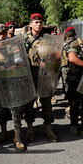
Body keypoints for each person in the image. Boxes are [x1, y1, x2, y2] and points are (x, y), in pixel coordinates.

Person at [22, 13, 58, 142]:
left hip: (44, 76)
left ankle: (48, 128)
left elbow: (55, 56)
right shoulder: (23, 39)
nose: (38, 24)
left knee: (47, 103)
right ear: (31, 24)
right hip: (30, 76)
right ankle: (30, 128)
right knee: (29, 104)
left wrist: (48, 62)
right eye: (36, 22)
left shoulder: (48, 39)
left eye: (40, 22)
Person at [0, 23, 25, 150]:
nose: (1, 36)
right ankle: (3, 132)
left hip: (12, 84)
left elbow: (20, 62)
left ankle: (18, 137)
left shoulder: (13, 46)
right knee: (1, 111)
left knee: (15, 111)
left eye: (3, 33)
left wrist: (7, 70)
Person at [61, 26, 77, 119]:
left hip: (64, 69)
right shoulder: (76, 44)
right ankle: (71, 108)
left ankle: (70, 106)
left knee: (68, 89)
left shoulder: (62, 44)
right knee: (75, 90)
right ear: (75, 34)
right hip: (74, 69)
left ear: (66, 35)